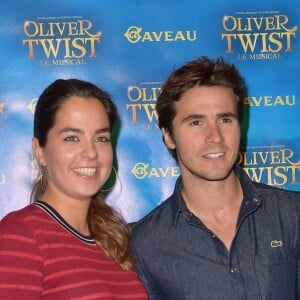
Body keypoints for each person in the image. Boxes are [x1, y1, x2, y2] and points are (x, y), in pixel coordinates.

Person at [131, 56, 300, 300]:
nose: (215, 136)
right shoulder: (145, 244)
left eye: (225, 119)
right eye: (196, 122)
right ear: (169, 136)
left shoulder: (292, 214)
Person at [0, 79, 148, 299]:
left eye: (101, 138)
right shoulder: (20, 236)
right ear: (39, 151)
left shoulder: (113, 240)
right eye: (72, 138)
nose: (91, 152)